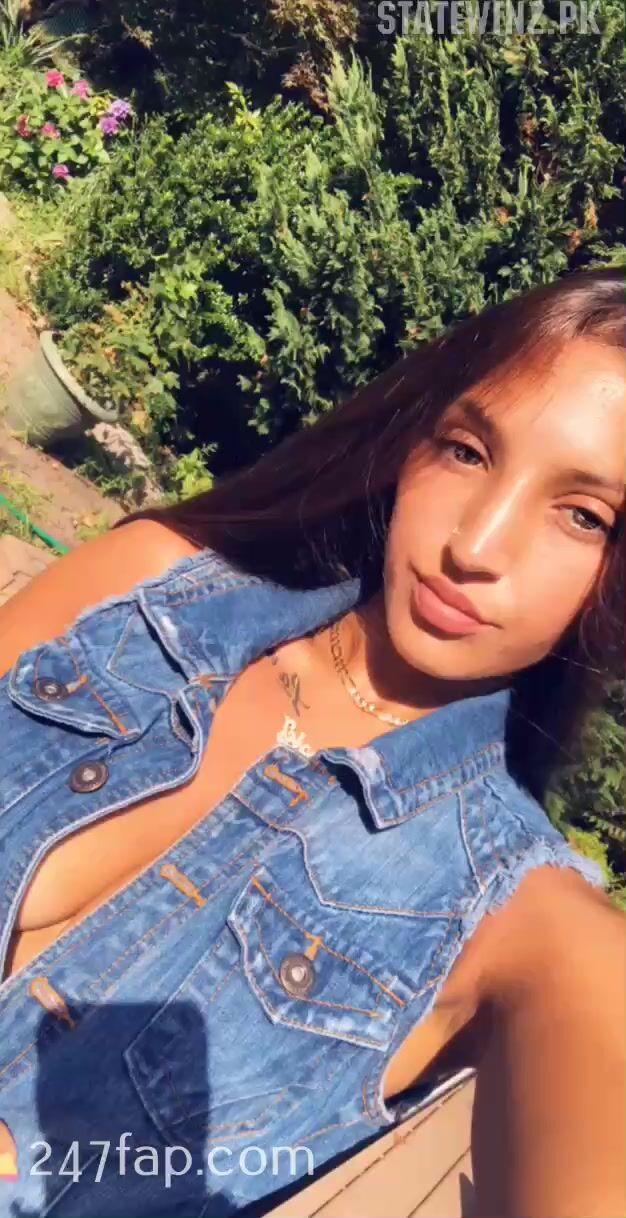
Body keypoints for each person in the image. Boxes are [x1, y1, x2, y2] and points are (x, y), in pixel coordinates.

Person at [0, 265, 624, 1218]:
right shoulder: (150, 591)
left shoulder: (516, 920)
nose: (476, 546)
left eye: (583, 516)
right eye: (467, 450)